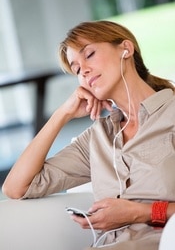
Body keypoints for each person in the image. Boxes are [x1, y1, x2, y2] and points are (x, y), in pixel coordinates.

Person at [2, 20, 175, 250]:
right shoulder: (97, 138)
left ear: (126, 48)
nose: (83, 70)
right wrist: (62, 114)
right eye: (76, 69)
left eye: (90, 54)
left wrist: (139, 213)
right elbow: (16, 188)